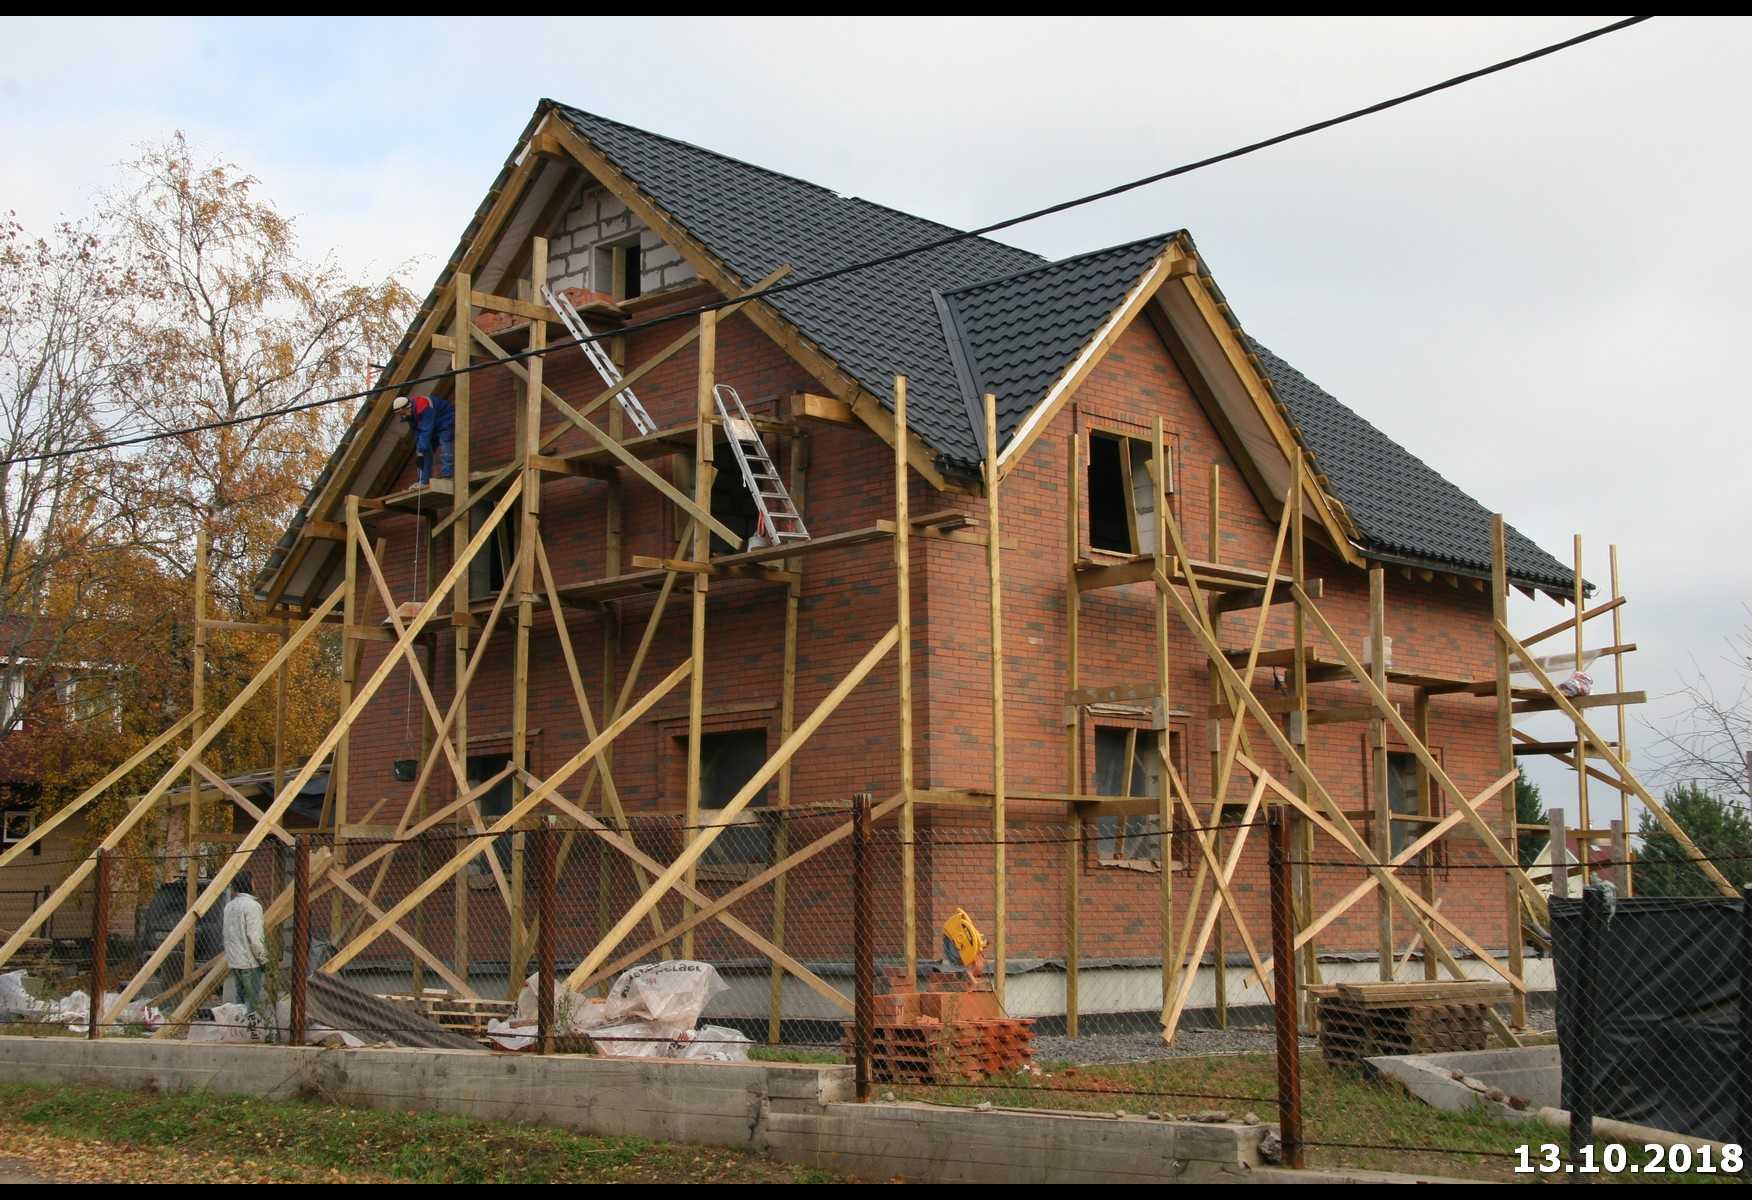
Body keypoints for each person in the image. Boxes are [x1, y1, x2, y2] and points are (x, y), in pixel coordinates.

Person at [222, 874, 270, 1029]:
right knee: (251, 1002)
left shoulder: (229, 906)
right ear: (249, 883)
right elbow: (255, 937)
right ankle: (249, 1031)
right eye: (253, 881)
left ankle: (237, 1029)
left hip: (234, 960)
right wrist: (264, 959)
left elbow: (227, 933)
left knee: (240, 1001)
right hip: (250, 961)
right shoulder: (253, 906)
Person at [393, 393, 455, 486]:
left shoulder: (424, 405)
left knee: (445, 444)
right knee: (422, 449)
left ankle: (448, 475)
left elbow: (426, 430)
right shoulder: (410, 415)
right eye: (401, 415)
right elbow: (418, 433)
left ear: (408, 407)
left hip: (444, 419)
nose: (403, 416)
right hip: (431, 426)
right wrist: (420, 451)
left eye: (403, 413)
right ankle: (423, 481)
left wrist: (422, 450)